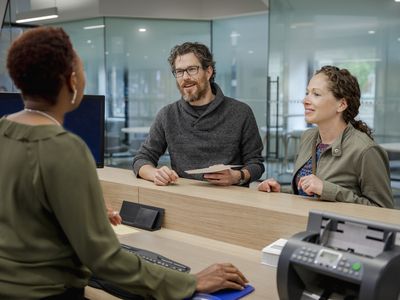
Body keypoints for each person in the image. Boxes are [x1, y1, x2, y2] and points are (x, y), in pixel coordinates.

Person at [0, 27, 248, 299]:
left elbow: (23, 213)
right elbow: (105, 260)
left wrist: (85, 215)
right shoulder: (64, 149)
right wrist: (189, 282)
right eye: (82, 70)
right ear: (72, 81)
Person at [258, 66, 393, 208]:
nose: (305, 100)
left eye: (316, 94)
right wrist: (280, 191)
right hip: (302, 224)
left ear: (341, 104)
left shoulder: (366, 150)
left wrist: (327, 189)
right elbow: (310, 193)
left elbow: (383, 210)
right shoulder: (308, 137)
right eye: (307, 93)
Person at [132, 42, 264, 186]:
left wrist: (238, 176)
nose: (185, 77)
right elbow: (142, 159)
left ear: (208, 72)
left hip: (230, 199)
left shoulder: (241, 112)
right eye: (179, 71)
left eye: (192, 69)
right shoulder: (167, 115)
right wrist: (156, 174)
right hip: (185, 198)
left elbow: (256, 163)